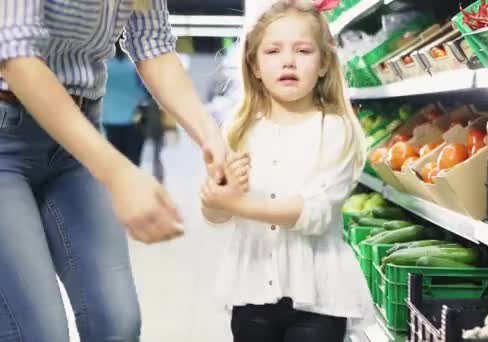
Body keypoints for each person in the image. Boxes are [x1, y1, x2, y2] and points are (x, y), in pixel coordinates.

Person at [0, 0, 226, 341]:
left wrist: (211, 136)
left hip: (76, 136)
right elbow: (16, 55)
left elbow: (153, 44)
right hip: (6, 132)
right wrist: (119, 174)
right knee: (39, 331)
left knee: (117, 322)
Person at [200, 1, 374, 341]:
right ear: (255, 66)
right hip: (251, 291)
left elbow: (316, 213)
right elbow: (216, 215)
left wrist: (236, 203)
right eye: (273, 51)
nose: (288, 61)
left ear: (324, 63)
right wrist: (215, 197)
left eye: (303, 50)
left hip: (320, 299)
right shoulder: (237, 131)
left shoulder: (335, 129)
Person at [102, 42, 148, 165]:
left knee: (112, 165)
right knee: (132, 164)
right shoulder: (136, 68)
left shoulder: (103, 67)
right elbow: (146, 94)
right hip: (133, 124)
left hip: (107, 123)